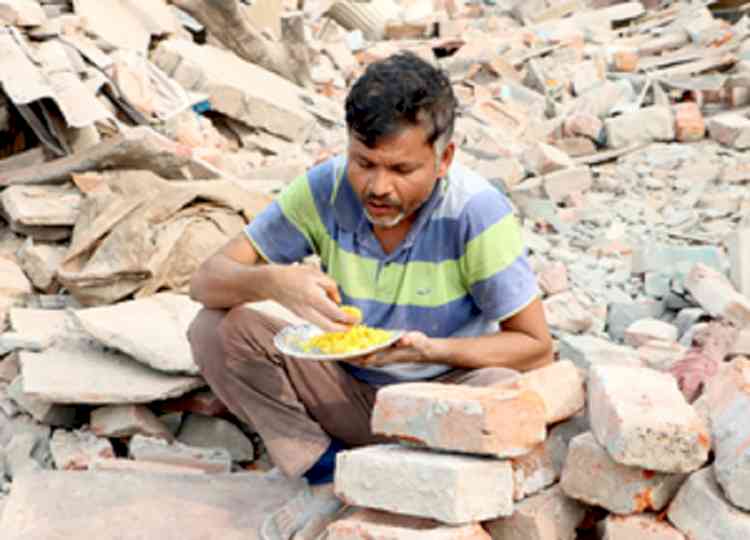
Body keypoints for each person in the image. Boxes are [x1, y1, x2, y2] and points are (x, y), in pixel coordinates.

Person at [187, 51, 552, 539]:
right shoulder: (326, 188)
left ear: (444, 159)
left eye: (402, 170)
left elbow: (535, 344)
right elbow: (205, 280)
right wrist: (272, 280)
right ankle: (328, 472)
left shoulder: (476, 212)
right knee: (215, 329)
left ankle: (426, 484)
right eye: (364, 163)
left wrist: (432, 349)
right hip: (350, 393)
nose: (378, 187)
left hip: (440, 400)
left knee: (504, 388)